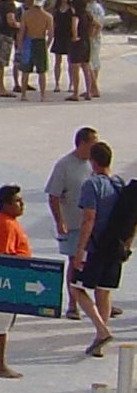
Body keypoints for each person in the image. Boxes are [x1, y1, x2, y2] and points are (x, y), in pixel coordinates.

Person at [73, 141, 125, 355]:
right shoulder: (120, 185)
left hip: (95, 247)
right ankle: (99, 342)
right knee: (103, 292)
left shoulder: (92, 185)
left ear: (92, 162)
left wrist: (79, 251)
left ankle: (102, 331)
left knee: (75, 287)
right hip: (115, 247)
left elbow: (89, 219)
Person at [46, 126, 100, 319]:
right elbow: (53, 196)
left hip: (93, 223)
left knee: (94, 262)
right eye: (93, 142)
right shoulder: (64, 165)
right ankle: (72, 304)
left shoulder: (94, 164)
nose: (96, 145)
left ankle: (98, 301)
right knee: (74, 262)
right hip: (73, 224)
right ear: (83, 143)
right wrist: (60, 221)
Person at [0, 186, 32, 378]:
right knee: (1, 322)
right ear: (6, 204)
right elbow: (4, 255)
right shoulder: (6, 225)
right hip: (6, 278)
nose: (22, 205)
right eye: (17, 201)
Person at [17, 0, 53, 99]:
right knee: (42, 71)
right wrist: (47, 45)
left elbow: (22, 31)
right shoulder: (47, 16)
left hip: (28, 42)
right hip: (40, 41)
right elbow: (51, 34)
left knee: (25, 71)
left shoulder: (26, 15)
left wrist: (20, 45)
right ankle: (43, 95)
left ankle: (23, 95)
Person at [80, 0, 106, 100]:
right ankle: (91, 87)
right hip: (97, 38)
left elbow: (94, 23)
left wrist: (91, 36)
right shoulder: (99, 7)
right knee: (95, 62)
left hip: (91, 37)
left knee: (88, 63)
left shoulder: (90, 8)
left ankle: (93, 88)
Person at [51, 0, 77, 92]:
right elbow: (53, 23)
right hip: (59, 36)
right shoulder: (56, 10)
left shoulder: (71, 9)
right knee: (57, 61)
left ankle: (71, 84)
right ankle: (57, 83)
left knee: (70, 61)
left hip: (68, 36)